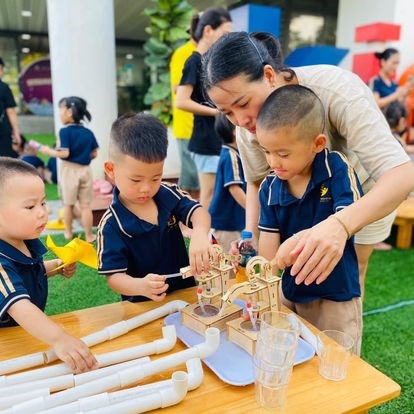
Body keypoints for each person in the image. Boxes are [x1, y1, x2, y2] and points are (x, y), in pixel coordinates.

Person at [202, 31, 414, 296]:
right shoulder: (247, 128)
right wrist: (250, 236)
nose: (241, 120)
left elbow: (402, 174)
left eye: (243, 103)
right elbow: (256, 181)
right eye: (227, 113)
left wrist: (340, 225)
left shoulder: (338, 91)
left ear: (268, 75)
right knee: (296, 277)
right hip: (300, 200)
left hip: (364, 195)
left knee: (350, 273)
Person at [256, 85, 363, 353]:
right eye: (266, 151)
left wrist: (297, 241)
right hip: (290, 293)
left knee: (336, 358)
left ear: (317, 144)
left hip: (334, 297)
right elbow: (269, 247)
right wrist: (263, 289)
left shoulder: (336, 168)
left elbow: (351, 215)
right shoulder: (269, 187)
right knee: (290, 357)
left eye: (283, 154)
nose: (273, 162)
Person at [96, 113, 212, 303]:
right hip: (144, 304)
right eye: (136, 180)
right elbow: (114, 277)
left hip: (186, 295)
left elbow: (199, 213)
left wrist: (199, 233)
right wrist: (139, 286)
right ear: (111, 169)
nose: (146, 188)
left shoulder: (168, 193)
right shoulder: (111, 225)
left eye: (156, 178)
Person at [0, 157, 97, 372]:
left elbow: (29, 272)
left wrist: (56, 266)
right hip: (6, 346)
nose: (43, 212)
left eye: (43, 203)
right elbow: (20, 306)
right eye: (30, 206)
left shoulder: (24, 240)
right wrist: (60, 338)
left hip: (26, 335)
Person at [175, 7, 232, 209]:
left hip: (215, 138)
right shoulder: (194, 61)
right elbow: (181, 101)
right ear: (208, 30)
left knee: (215, 194)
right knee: (208, 195)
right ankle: (200, 228)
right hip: (205, 139)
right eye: (224, 34)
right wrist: (217, 111)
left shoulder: (210, 62)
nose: (226, 39)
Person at [37, 96, 99, 242]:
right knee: (85, 206)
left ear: (69, 112)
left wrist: (48, 151)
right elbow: (94, 154)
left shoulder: (65, 131)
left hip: (69, 171)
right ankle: (89, 235)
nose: (59, 113)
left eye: (61, 110)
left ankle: (69, 233)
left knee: (68, 205)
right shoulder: (88, 132)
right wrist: (83, 155)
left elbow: (64, 153)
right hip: (85, 170)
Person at [169, 14, 199, 198]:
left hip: (201, 127)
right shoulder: (183, 53)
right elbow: (176, 88)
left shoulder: (204, 52)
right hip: (187, 126)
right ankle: (181, 212)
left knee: (199, 179)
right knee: (190, 180)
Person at [209, 114, 246, 252]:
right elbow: (234, 188)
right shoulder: (231, 156)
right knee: (229, 259)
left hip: (229, 222)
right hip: (226, 224)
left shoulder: (232, 153)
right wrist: (256, 211)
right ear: (235, 131)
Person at [0, 57, 21, 157]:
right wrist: (16, 132)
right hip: (3, 130)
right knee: (5, 160)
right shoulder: (3, 87)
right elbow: (11, 111)